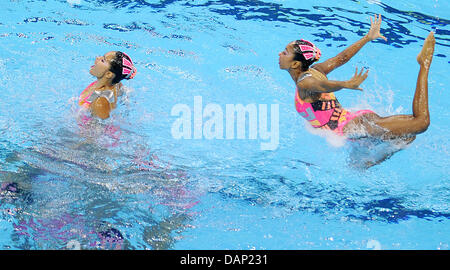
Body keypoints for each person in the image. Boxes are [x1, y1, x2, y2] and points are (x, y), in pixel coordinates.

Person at [278, 14, 434, 159]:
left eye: (285, 52)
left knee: (421, 122)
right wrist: (367, 38)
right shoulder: (316, 70)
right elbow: (341, 58)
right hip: (355, 126)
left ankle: (424, 63)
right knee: (400, 140)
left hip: (355, 127)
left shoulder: (305, 83)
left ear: (296, 63)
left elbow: (322, 85)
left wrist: (345, 84)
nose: (280, 54)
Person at [79, 51, 137, 120]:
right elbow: (124, 91)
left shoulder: (100, 101)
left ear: (108, 74)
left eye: (103, 60)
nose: (97, 58)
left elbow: (98, 128)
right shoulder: (114, 84)